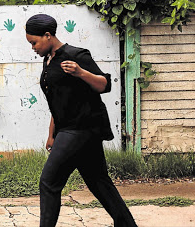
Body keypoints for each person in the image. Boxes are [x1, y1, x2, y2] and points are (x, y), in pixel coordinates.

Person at [25, 13, 137, 227]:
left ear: (48, 36)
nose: (33, 48)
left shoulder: (76, 55)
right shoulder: (48, 61)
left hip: (82, 128)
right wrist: (51, 135)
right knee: (98, 182)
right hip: (68, 130)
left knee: (49, 182)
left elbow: (104, 84)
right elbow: (58, 101)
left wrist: (80, 72)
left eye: (34, 42)